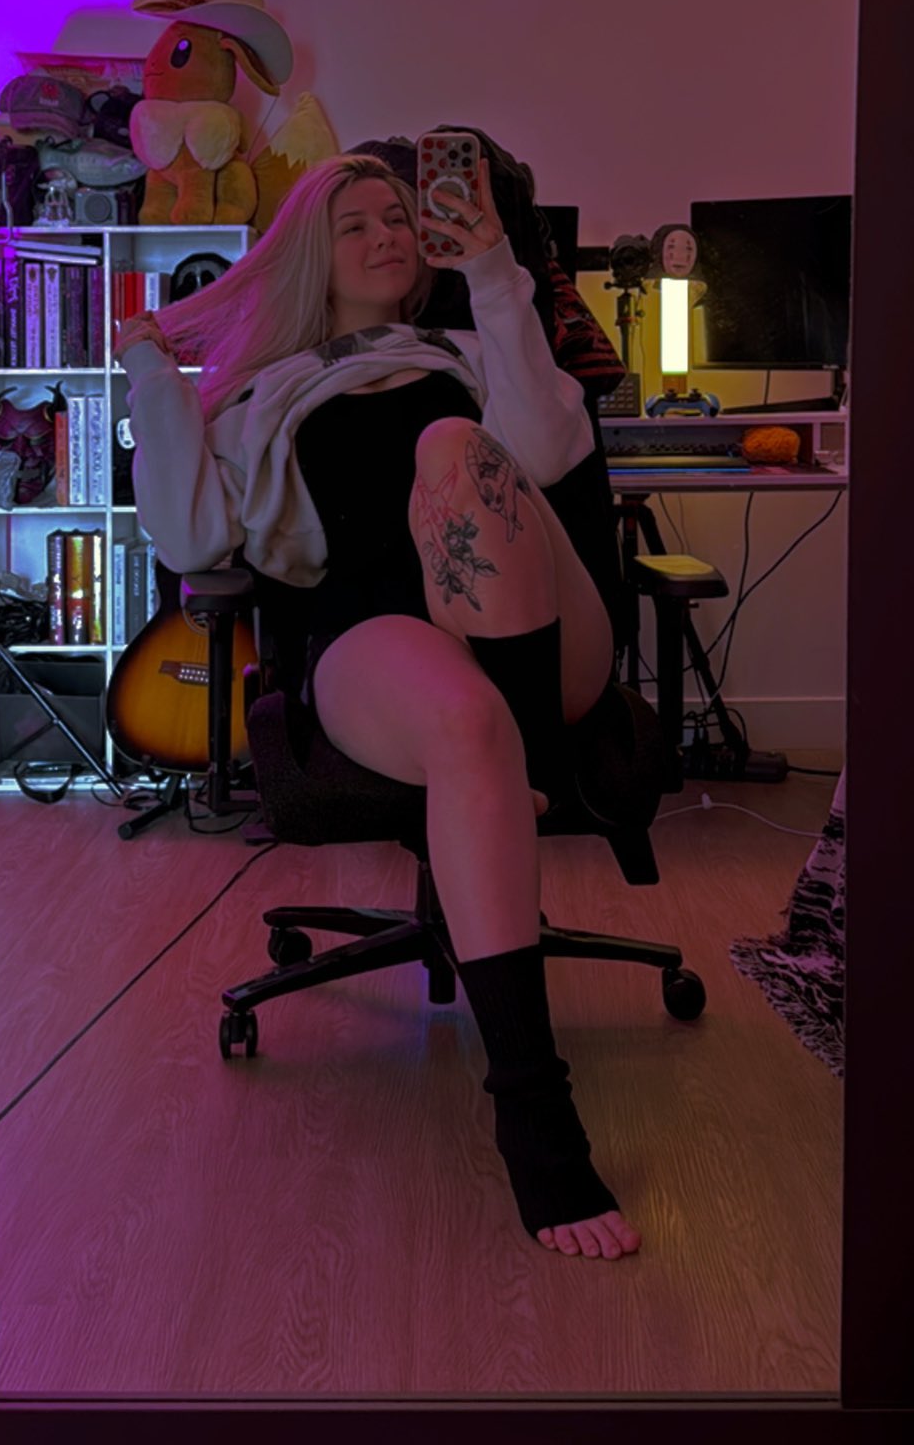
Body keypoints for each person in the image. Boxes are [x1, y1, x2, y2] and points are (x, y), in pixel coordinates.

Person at [115, 151, 642, 1264]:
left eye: (398, 217)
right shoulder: (257, 394)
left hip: (538, 625)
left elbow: (550, 452)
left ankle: (520, 753)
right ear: (313, 254)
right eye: (353, 223)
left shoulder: (469, 348)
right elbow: (194, 540)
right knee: (465, 728)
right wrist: (154, 378)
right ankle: (533, 1108)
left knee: (457, 443)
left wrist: (493, 270)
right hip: (372, 634)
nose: (385, 234)